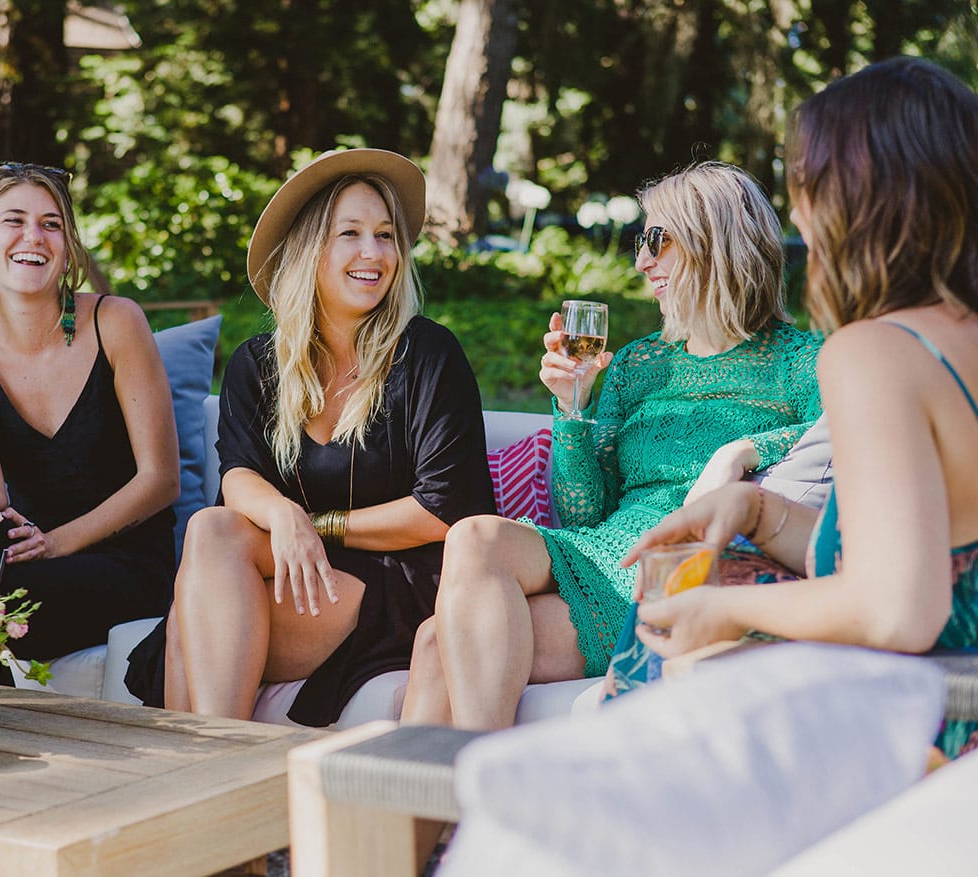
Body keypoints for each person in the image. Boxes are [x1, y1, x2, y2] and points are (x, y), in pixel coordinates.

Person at [629, 58, 978, 758]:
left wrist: (723, 609)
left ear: (859, 196)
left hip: (926, 732)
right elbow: (933, 556)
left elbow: (898, 608)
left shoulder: (874, 352)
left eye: (806, 184)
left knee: (646, 662)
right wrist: (758, 510)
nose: (795, 212)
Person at [401, 161, 824, 730]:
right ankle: (477, 783)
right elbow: (584, 512)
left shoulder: (799, 359)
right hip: (605, 552)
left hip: (677, 569)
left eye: (657, 239)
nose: (641, 260)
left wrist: (742, 450)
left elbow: (842, 431)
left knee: (435, 643)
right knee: (473, 542)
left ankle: (472, 797)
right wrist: (573, 407)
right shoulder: (636, 364)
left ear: (714, 242)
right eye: (639, 241)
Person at [125, 148, 495, 725]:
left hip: (397, 581)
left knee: (191, 624)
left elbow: (448, 510)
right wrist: (286, 519)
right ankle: (218, 768)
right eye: (350, 234)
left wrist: (318, 525)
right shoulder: (259, 364)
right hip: (291, 570)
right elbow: (238, 474)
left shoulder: (427, 353)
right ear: (309, 249)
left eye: (385, 235)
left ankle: (210, 767)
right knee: (211, 528)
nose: (373, 253)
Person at [0, 161, 180, 660]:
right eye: (15, 220)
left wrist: (58, 543)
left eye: (52, 224)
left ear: (67, 248)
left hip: (125, 561)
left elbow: (161, 480)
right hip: (25, 553)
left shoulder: (117, 320)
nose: (35, 236)